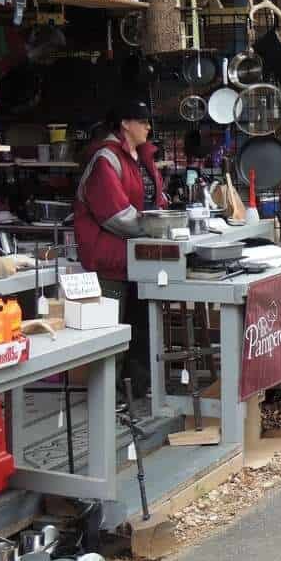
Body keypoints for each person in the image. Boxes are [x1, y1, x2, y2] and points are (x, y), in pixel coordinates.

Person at [74, 97, 168, 389]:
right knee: (111, 332)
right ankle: (107, 397)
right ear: (125, 124)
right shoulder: (105, 158)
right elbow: (115, 214)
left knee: (140, 326)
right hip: (109, 259)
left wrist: (162, 217)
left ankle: (138, 391)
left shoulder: (142, 156)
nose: (148, 127)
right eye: (142, 121)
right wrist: (156, 227)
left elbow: (156, 199)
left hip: (137, 256)